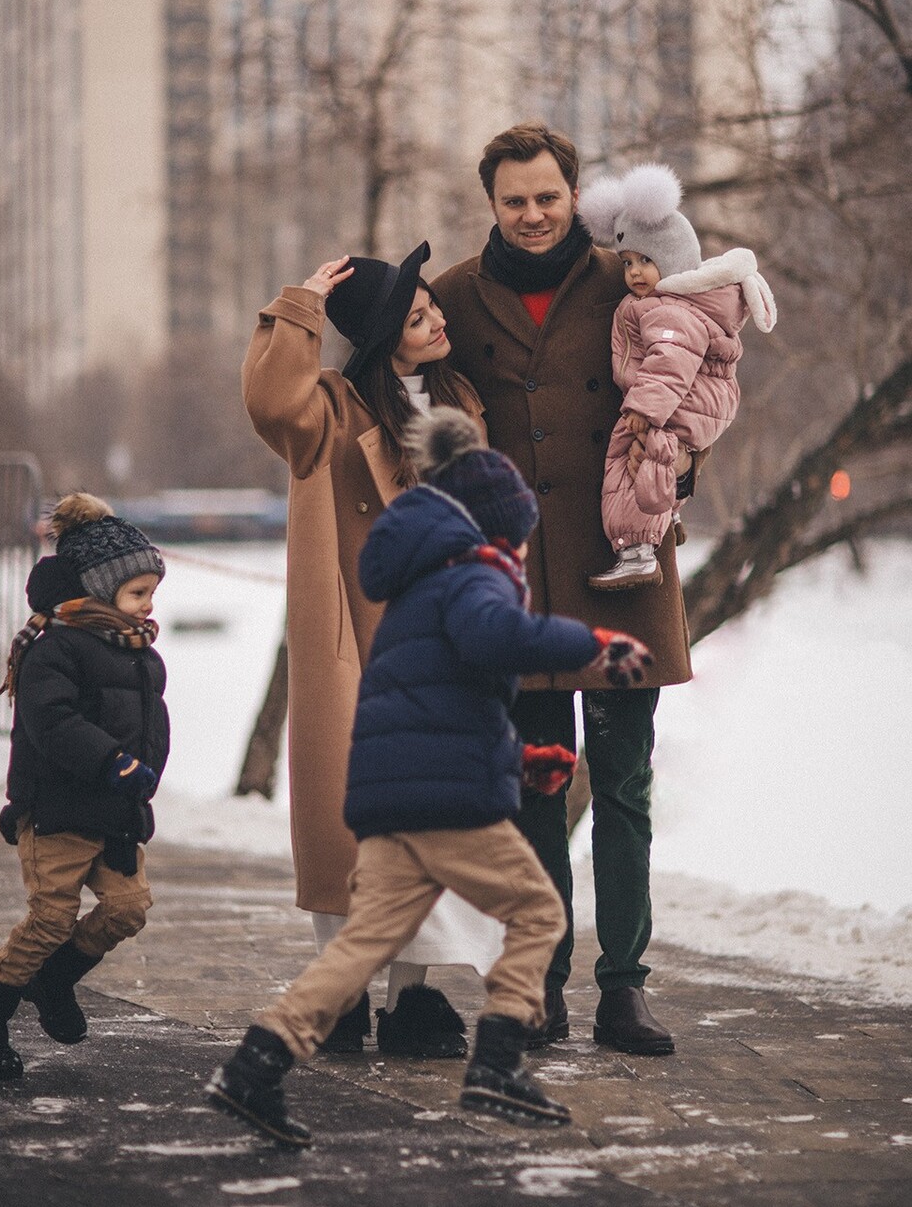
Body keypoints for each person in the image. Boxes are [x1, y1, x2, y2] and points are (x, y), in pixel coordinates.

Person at [205, 406, 654, 1147]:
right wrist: (593, 644)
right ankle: (499, 1064)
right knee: (540, 914)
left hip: (390, 799)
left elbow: (441, 708)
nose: (517, 558)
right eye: (516, 539)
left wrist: (519, 761)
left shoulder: (417, 588)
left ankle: (256, 1064)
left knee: (359, 946)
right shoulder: (475, 578)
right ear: (494, 530)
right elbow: (496, 637)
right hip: (442, 805)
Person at [432, 121, 700, 1057]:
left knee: (623, 787)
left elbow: (694, 366)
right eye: (516, 200)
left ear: (573, 193)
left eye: (548, 196)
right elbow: (403, 393)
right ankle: (540, 985)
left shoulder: (630, 274)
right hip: (524, 583)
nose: (535, 214)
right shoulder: (456, 297)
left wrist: (675, 469)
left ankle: (623, 990)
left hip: (621, 561)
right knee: (538, 789)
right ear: (493, 205)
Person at [242, 242, 506, 1059]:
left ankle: (415, 1000)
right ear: (388, 334)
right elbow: (269, 398)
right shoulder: (335, 412)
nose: (436, 319)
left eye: (433, 306)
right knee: (352, 828)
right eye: (418, 314)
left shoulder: (459, 398)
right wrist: (301, 307)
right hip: (356, 643)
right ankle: (344, 991)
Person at [0, 494, 169, 1081]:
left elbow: (150, 727)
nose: (149, 605)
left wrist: (141, 783)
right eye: (138, 593)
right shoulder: (56, 650)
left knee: (127, 909)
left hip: (116, 813)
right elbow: (52, 724)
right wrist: (113, 763)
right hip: (58, 811)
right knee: (51, 919)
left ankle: (54, 979)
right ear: (98, 591)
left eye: (152, 592)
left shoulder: (141, 654)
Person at [581, 163, 777, 589]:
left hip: (680, 402)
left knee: (626, 460)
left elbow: (672, 360)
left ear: (670, 261)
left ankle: (636, 549)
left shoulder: (667, 307)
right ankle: (663, 518)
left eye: (646, 260)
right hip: (691, 404)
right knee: (652, 462)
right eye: (627, 261)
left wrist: (643, 408)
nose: (633, 272)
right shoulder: (661, 302)